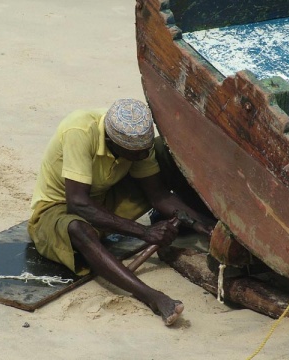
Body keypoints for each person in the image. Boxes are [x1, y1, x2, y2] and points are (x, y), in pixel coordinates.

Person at [28, 98, 214, 326]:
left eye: (144, 150)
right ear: (111, 142)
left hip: (103, 198)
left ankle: (206, 219)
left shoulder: (136, 139)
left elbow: (159, 196)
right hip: (59, 207)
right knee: (78, 228)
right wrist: (144, 232)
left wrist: (202, 225)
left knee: (163, 152)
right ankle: (151, 296)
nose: (143, 155)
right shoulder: (79, 131)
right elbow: (77, 204)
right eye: (136, 154)